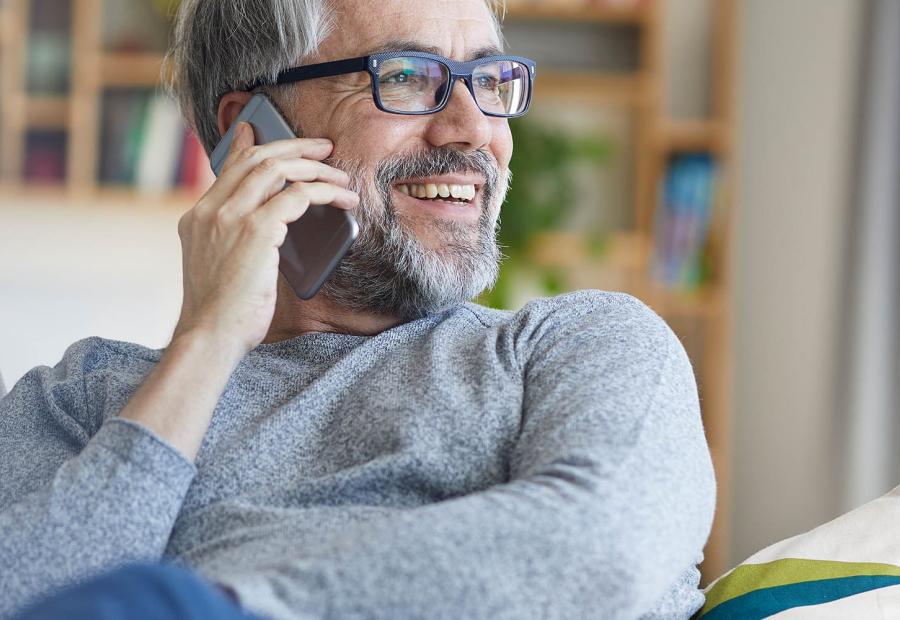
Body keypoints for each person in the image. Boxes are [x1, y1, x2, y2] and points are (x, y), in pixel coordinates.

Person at [0, 0, 716, 618]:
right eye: (406, 76)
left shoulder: (578, 347)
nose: (472, 130)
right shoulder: (80, 403)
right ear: (250, 134)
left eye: (491, 80)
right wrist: (208, 339)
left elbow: (603, 549)